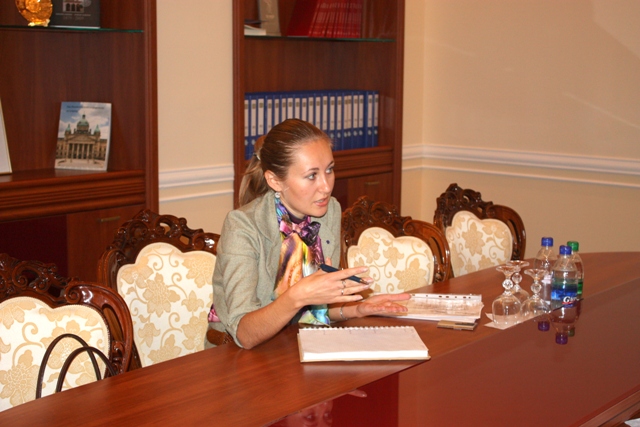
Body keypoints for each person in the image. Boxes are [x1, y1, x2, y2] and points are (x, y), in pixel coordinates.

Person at [207, 119, 410, 349]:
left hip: (295, 344)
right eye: (312, 175)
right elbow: (245, 334)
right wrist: (297, 296)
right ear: (274, 180)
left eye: (329, 170)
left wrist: (357, 309)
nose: (326, 186)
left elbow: (312, 313)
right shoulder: (242, 226)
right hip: (237, 355)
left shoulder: (329, 211)